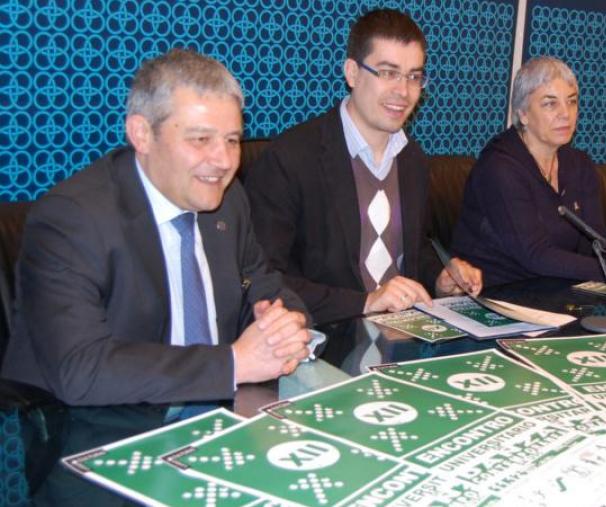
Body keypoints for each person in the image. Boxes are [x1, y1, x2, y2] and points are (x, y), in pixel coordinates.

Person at [1, 49, 312, 406]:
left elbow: (266, 286)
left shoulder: (228, 199)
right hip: (83, 424)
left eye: (232, 140)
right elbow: (80, 368)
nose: (224, 161)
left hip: (216, 413)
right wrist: (234, 363)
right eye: (201, 139)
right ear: (142, 134)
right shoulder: (71, 219)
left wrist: (285, 324)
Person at [245, 9, 481, 324]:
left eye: (413, 76)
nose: (403, 91)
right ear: (353, 73)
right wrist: (366, 302)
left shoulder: (413, 160)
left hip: (402, 334)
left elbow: (409, 252)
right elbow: (264, 279)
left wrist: (439, 278)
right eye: (388, 73)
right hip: (327, 335)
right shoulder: (290, 158)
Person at [451, 56, 606, 287]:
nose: (566, 113)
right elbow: (534, 255)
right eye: (550, 104)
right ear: (523, 113)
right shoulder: (499, 168)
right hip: (496, 293)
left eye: (572, 101)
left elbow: (594, 243)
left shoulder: (579, 165)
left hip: (556, 292)